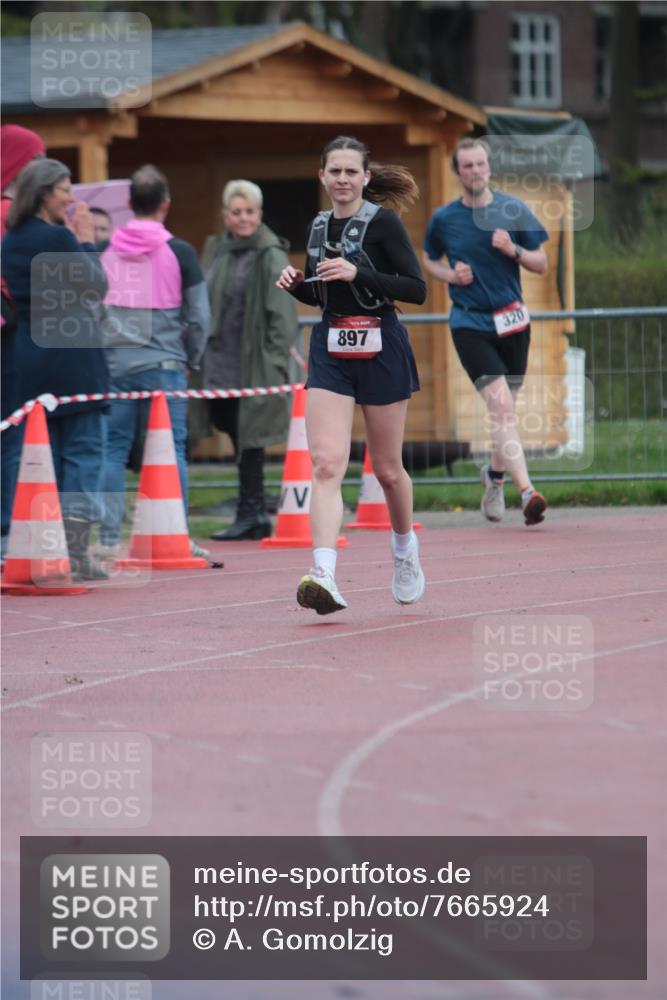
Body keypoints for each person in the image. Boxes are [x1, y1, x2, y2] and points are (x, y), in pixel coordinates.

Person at [276, 135, 427, 614]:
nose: (341, 179)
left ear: (365, 177)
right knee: (324, 464)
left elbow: (416, 289)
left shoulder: (383, 224)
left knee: (387, 470)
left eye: (350, 171)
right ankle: (323, 572)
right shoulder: (318, 225)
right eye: (333, 171)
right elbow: (323, 296)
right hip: (332, 350)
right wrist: (300, 286)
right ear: (322, 176)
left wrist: (358, 273)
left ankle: (404, 551)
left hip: (381, 346)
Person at [422, 137, 549, 526]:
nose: (475, 171)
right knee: (503, 407)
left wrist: (513, 250)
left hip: (513, 322)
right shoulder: (445, 219)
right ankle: (527, 491)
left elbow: (541, 263)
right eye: (468, 166)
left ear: (489, 167)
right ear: (458, 172)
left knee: (503, 413)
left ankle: (493, 479)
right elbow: (428, 259)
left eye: (480, 164)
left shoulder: (513, 209)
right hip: (469, 322)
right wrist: (450, 275)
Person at [1, 158, 110, 580]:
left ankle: (49, 545)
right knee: (83, 450)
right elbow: (96, 287)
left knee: (46, 454)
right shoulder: (59, 238)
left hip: (32, 354)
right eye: (65, 188)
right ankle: (77, 552)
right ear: (45, 192)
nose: (71, 196)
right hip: (74, 355)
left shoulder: (10, 241)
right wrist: (85, 242)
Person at [96, 164, 211, 559]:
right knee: (171, 449)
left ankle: (109, 540)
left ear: (128, 204)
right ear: (166, 204)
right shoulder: (179, 251)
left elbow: (94, 310)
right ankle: (176, 534)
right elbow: (200, 316)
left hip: (116, 367)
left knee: (112, 448)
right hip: (165, 364)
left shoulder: (107, 251)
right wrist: (191, 356)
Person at [201, 179, 298, 540]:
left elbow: (281, 313)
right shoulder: (217, 250)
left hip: (254, 360)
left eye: (250, 212)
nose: (243, 219)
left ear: (260, 213)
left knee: (250, 434)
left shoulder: (270, 254)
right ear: (226, 215)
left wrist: (273, 358)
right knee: (229, 424)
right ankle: (252, 510)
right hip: (219, 359)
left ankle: (252, 512)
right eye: (236, 212)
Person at [1, 124, 46, 560]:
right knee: (14, 434)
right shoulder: (10, 218)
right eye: (36, 160)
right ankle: (9, 529)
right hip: (12, 337)